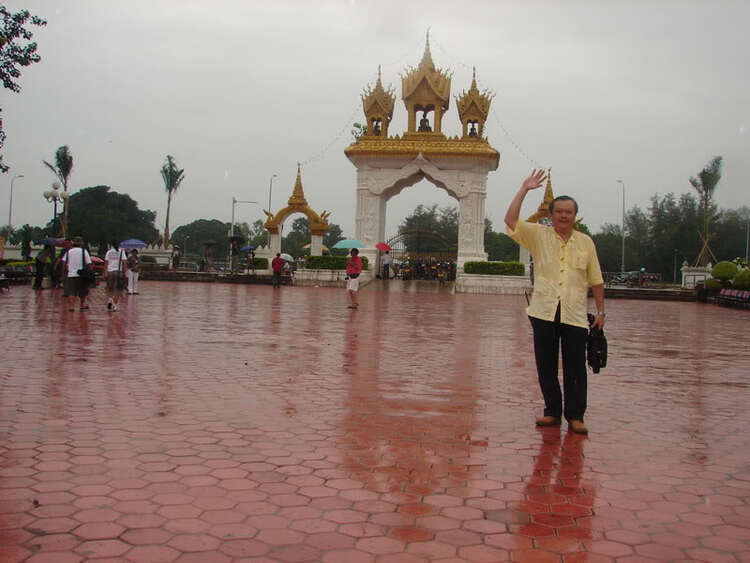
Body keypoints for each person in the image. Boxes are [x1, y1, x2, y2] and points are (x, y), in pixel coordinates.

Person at [505, 170, 605, 435]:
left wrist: (601, 311)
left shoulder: (586, 243)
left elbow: (596, 279)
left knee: (575, 367)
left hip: (574, 312)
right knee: (545, 364)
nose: (563, 216)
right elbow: (511, 220)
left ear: (575, 216)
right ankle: (552, 411)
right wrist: (524, 189)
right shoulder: (538, 235)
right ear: (551, 215)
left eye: (568, 212)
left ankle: (575, 415)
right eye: (558, 211)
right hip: (543, 311)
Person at [62, 236, 92, 312]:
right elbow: (89, 263)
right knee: (82, 291)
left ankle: (71, 306)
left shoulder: (69, 251)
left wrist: (65, 270)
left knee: (71, 291)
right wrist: (90, 271)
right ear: (81, 243)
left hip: (71, 274)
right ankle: (81, 305)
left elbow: (64, 262)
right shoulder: (84, 251)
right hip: (81, 275)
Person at [104, 241, 127, 311]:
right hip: (118, 272)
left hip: (110, 272)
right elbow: (124, 263)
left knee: (110, 288)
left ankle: (110, 300)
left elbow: (106, 263)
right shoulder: (121, 252)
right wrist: (124, 273)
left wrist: (104, 273)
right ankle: (115, 305)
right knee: (118, 289)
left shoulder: (109, 252)